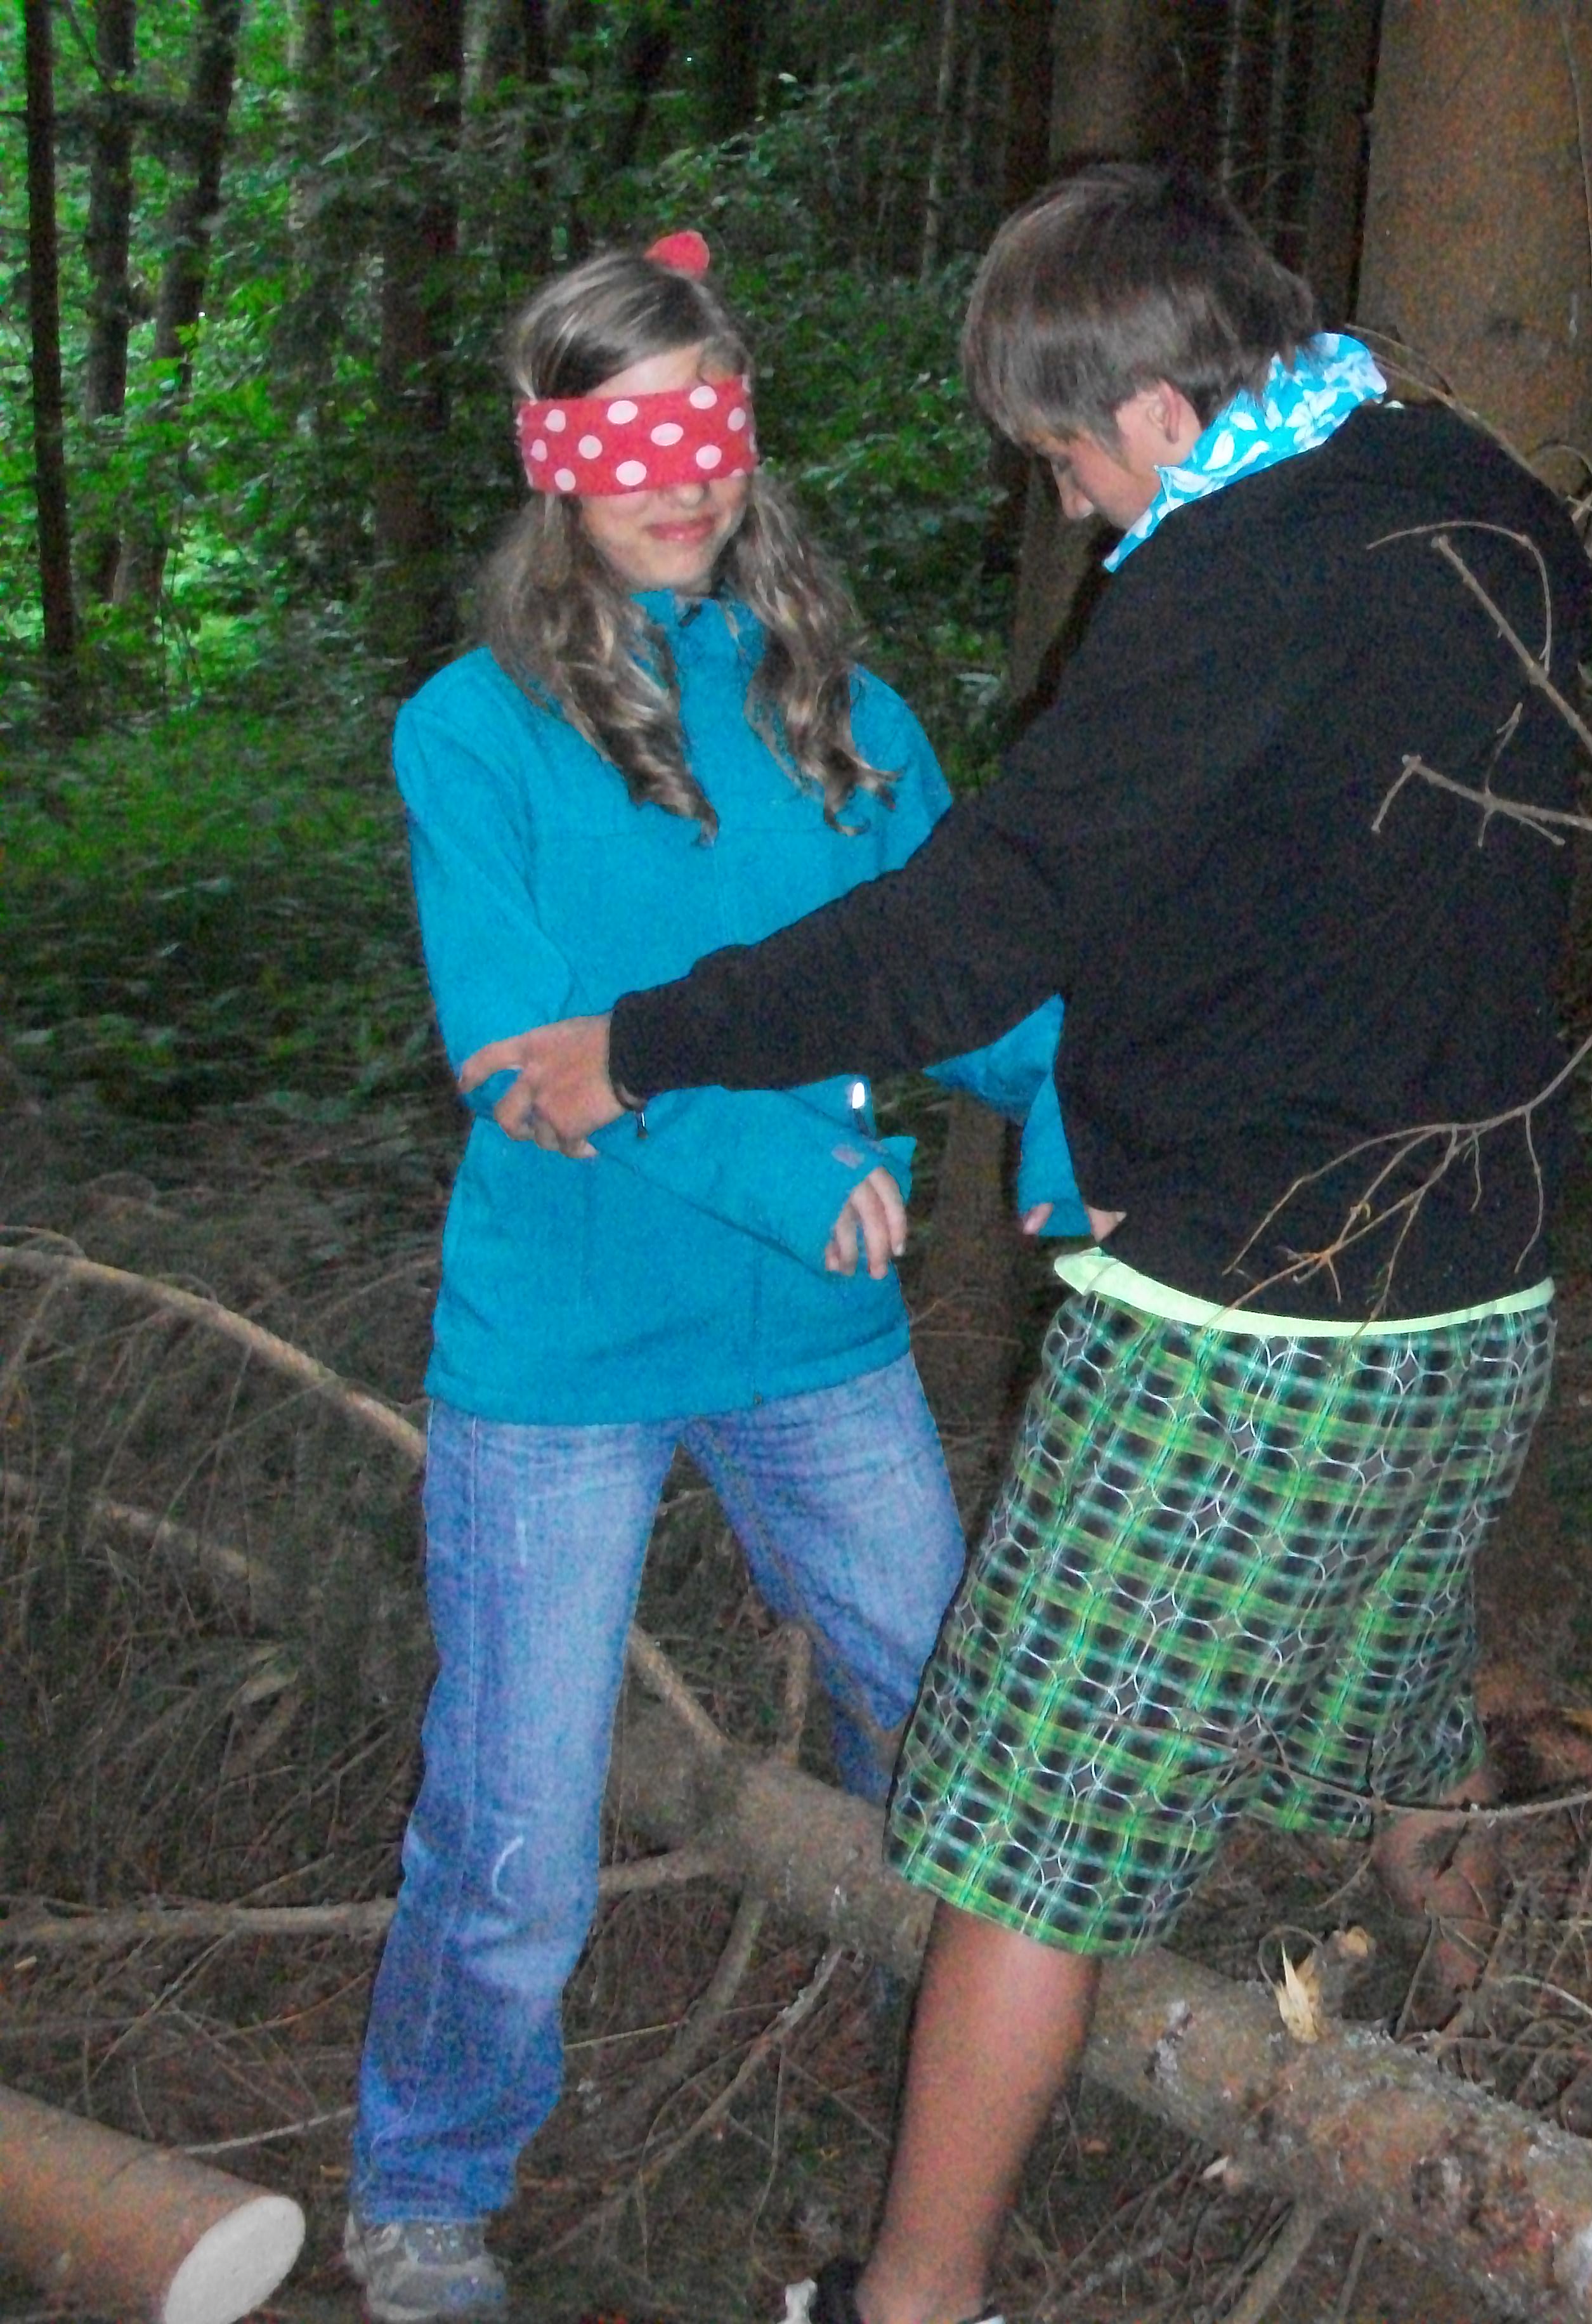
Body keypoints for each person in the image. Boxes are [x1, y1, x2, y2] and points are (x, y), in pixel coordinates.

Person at [459, 166, 1592, 2324]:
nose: (1068, 505)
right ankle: (1506, 2067)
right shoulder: (1476, 497)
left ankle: (914, 2300)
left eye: (1062, 457)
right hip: (1483, 1281)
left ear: (1155, 409)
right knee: (1389, 1704)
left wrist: (647, 1042)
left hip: (1252, 1319)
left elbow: (970, 932)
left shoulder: (1233, 577)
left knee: (1016, 1837)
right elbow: (1322, 871)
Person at [345, 230, 1080, 2324]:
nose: (677, 478)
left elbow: (967, 972)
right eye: (626, 439)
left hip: (816, 1346)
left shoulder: (838, 710)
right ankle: (425, 2189)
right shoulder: (472, 732)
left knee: (952, 1742)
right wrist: (769, 1161)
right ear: (550, 460)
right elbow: (518, 1052)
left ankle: (932, 2098)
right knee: (515, 1826)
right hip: (560, 1349)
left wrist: (1075, 1127)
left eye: (707, 427)